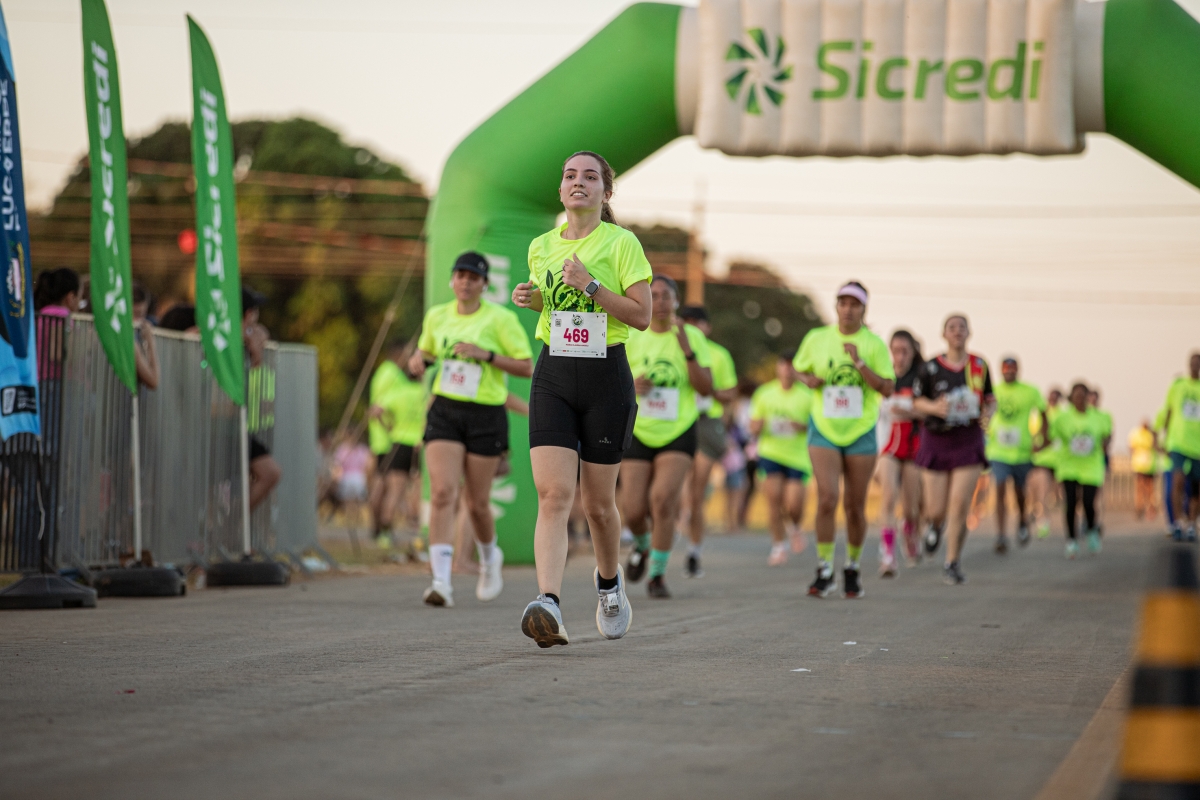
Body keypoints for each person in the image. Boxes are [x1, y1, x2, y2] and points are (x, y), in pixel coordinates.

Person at [511, 150, 652, 646]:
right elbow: (555, 307)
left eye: (590, 177)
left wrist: (591, 284)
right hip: (553, 372)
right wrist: (534, 300)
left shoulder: (621, 243)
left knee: (597, 505)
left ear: (605, 192)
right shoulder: (541, 246)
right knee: (553, 495)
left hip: (606, 377)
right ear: (561, 189)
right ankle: (548, 602)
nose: (578, 182)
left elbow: (641, 316)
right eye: (570, 175)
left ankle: (609, 585)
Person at [411, 251, 533, 607]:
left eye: (473, 277)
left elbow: (526, 366)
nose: (465, 282)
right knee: (442, 493)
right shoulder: (437, 316)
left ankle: (490, 557)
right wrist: (418, 361)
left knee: (477, 504)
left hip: (486, 414)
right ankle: (441, 582)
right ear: (452, 280)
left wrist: (487, 356)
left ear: (484, 284)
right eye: (460, 275)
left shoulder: (501, 319)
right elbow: (427, 354)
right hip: (445, 410)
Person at [794, 281, 894, 599]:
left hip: (860, 430)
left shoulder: (874, 344)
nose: (848, 309)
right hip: (824, 428)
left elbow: (888, 388)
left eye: (855, 304)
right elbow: (799, 370)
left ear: (864, 309)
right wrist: (808, 379)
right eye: (843, 303)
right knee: (826, 498)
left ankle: (852, 566)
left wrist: (860, 363)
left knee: (854, 506)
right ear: (836, 306)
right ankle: (824, 569)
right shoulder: (817, 338)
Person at [620, 275, 713, 599]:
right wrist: (632, 384)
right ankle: (642, 545)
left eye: (665, 296)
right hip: (638, 429)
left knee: (662, 500)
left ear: (676, 301)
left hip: (678, 430)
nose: (659, 301)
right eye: (654, 295)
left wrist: (687, 351)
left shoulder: (692, 336)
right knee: (632, 509)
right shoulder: (632, 333)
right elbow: (611, 381)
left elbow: (706, 388)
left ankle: (657, 575)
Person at [912, 314, 993, 585]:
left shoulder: (979, 365)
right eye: (952, 327)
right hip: (936, 439)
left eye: (962, 327)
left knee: (959, 504)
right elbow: (916, 401)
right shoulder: (931, 367)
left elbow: (989, 399)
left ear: (969, 333)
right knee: (936, 508)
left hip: (967, 440)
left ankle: (952, 561)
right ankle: (934, 526)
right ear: (943, 334)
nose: (957, 332)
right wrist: (935, 407)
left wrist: (988, 414)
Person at [677, 305, 739, 578]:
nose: (691, 327)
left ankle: (694, 550)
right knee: (669, 490)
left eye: (697, 322)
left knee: (696, 491)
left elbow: (730, 392)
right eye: (686, 321)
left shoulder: (719, 354)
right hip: (674, 423)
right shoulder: (671, 345)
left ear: (707, 327)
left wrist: (707, 388)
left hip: (705, 424)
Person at [749, 351, 812, 567]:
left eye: (791, 365)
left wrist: (801, 426)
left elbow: (818, 426)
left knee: (794, 505)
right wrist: (759, 425)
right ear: (778, 368)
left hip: (797, 456)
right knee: (773, 500)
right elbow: (753, 425)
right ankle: (778, 546)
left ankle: (795, 526)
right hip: (771, 452)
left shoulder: (807, 395)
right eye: (783, 364)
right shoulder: (764, 393)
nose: (787, 369)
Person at [367, 340, 427, 549]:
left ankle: (385, 534)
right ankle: (419, 532)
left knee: (394, 492)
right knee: (418, 490)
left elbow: (375, 410)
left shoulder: (398, 392)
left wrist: (389, 427)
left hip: (398, 442)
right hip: (419, 444)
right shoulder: (425, 393)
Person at [985, 356, 1048, 553]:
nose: (1009, 372)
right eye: (1006, 369)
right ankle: (1001, 534)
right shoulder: (993, 391)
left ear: (1018, 370)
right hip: (998, 451)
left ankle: (1022, 520)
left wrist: (1041, 440)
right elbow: (983, 413)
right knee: (999, 488)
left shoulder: (1030, 391)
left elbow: (1044, 414)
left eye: (1012, 369)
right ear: (1001, 371)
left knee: (1020, 492)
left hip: (1021, 452)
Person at [877, 329, 924, 575]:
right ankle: (887, 555)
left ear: (913, 352)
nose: (900, 356)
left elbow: (932, 410)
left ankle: (910, 529)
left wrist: (909, 411)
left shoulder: (922, 378)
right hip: (889, 445)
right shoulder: (883, 377)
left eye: (905, 351)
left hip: (914, 445)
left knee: (911, 507)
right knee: (888, 497)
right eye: (896, 351)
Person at [1049, 382, 1111, 556]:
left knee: (1088, 503)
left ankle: (1091, 530)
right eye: (1075, 396)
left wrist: (1105, 445)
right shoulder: (1062, 418)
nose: (1079, 399)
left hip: (1091, 466)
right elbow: (1051, 435)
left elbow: (1107, 435)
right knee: (1070, 503)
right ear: (1071, 398)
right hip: (1069, 466)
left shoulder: (1099, 417)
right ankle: (1071, 540)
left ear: (1087, 398)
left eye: (1082, 396)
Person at [242, 289, 283, 512]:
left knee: (267, 473)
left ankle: (234, 522)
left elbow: (261, 333)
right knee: (270, 473)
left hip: (240, 422)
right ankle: (235, 523)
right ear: (249, 313)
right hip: (223, 422)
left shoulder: (249, 335)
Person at [1159, 353, 1200, 541]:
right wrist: (1165, 438)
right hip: (1178, 442)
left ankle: (1191, 523)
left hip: (1197, 445)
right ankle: (1176, 523)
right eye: (1192, 363)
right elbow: (1169, 411)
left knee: (1196, 488)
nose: (1195, 366)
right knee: (1178, 481)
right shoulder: (1177, 386)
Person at [1029, 387, 1063, 538]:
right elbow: (1033, 434)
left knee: (1061, 495)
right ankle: (1043, 522)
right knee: (1041, 492)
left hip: (1059, 461)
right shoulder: (1037, 415)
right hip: (1042, 460)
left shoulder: (1063, 415)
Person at [1129, 419, 1159, 521]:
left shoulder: (1151, 434)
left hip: (1150, 466)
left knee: (1150, 489)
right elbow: (1131, 447)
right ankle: (1140, 508)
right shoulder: (1136, 433)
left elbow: (1156, 446)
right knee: (1140, 488)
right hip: (1139, 466)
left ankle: (1150, 509)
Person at [131, 283, 160, 390]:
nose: (140, 321)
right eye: (136, 314)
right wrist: (150, 342)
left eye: (143, 315)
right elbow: (153, 380)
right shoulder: (129, 341)